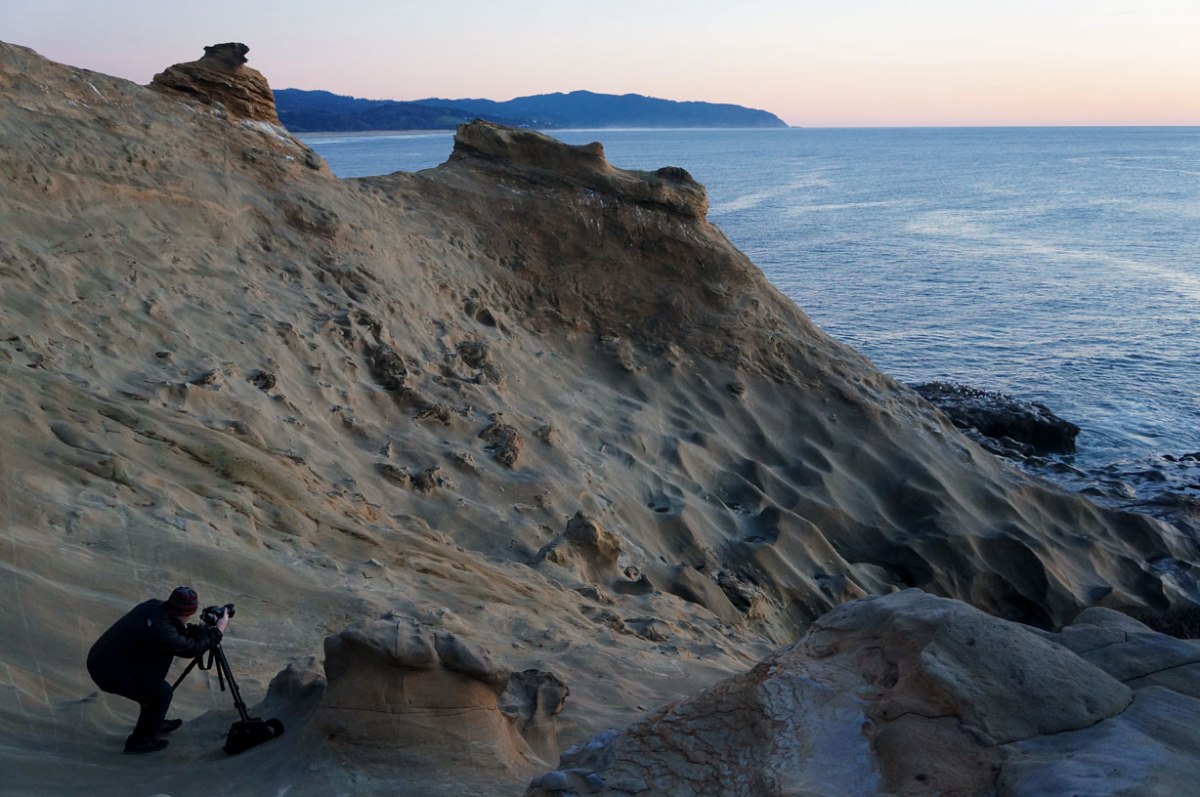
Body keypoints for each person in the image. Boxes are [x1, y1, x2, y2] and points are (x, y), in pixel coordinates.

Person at [87, 586, 230, 754]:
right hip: (109, 672)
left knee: (153, 685)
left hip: (105, 659)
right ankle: (140, 743)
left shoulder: (155, 607)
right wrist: (217, 632)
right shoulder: (162, 629)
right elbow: (190, 649)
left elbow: (177, 630)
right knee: (161, 693)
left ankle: (153, 723)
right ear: (187, 612)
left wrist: (202, 630)